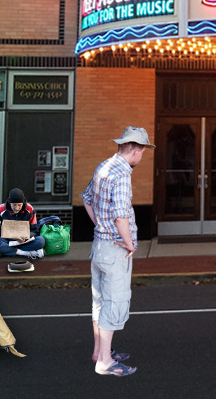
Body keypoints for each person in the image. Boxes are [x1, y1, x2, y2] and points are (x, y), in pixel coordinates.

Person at [81, 126, 154, 377]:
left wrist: (100, 225)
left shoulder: (103, 166)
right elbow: (122, 215)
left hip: (99, 246)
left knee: (99, 302)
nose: (142, 157)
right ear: (136, 150)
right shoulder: (122, 174)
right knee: (114, 302)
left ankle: (99, 351)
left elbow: (86, 198)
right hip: (114, 249)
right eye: (142, 152)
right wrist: (129, 243)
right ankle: (104, 362)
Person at [0, 188, 46, 259]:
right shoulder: (0, 209)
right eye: (14, 205)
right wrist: (8, 234)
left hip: (23, 241)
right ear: (9, 202)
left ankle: (4, 251)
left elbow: (34, 229)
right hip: (7, 240)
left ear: (23, 202)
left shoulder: (29, 209)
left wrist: (25, 237)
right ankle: (25, 253)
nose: (17, 208)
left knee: (41, 241)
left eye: (19, 205)